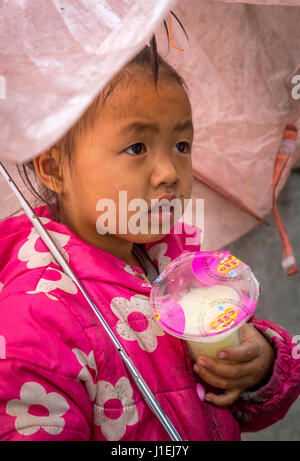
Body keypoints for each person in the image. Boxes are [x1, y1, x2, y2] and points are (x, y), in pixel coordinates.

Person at [0, 38, 299, 441]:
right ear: (54, 168)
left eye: (181, 145)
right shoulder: (35, 322)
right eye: (136, 146)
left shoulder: (179, 263)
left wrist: (258, 366)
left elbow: (241, 404)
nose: (169, 173)